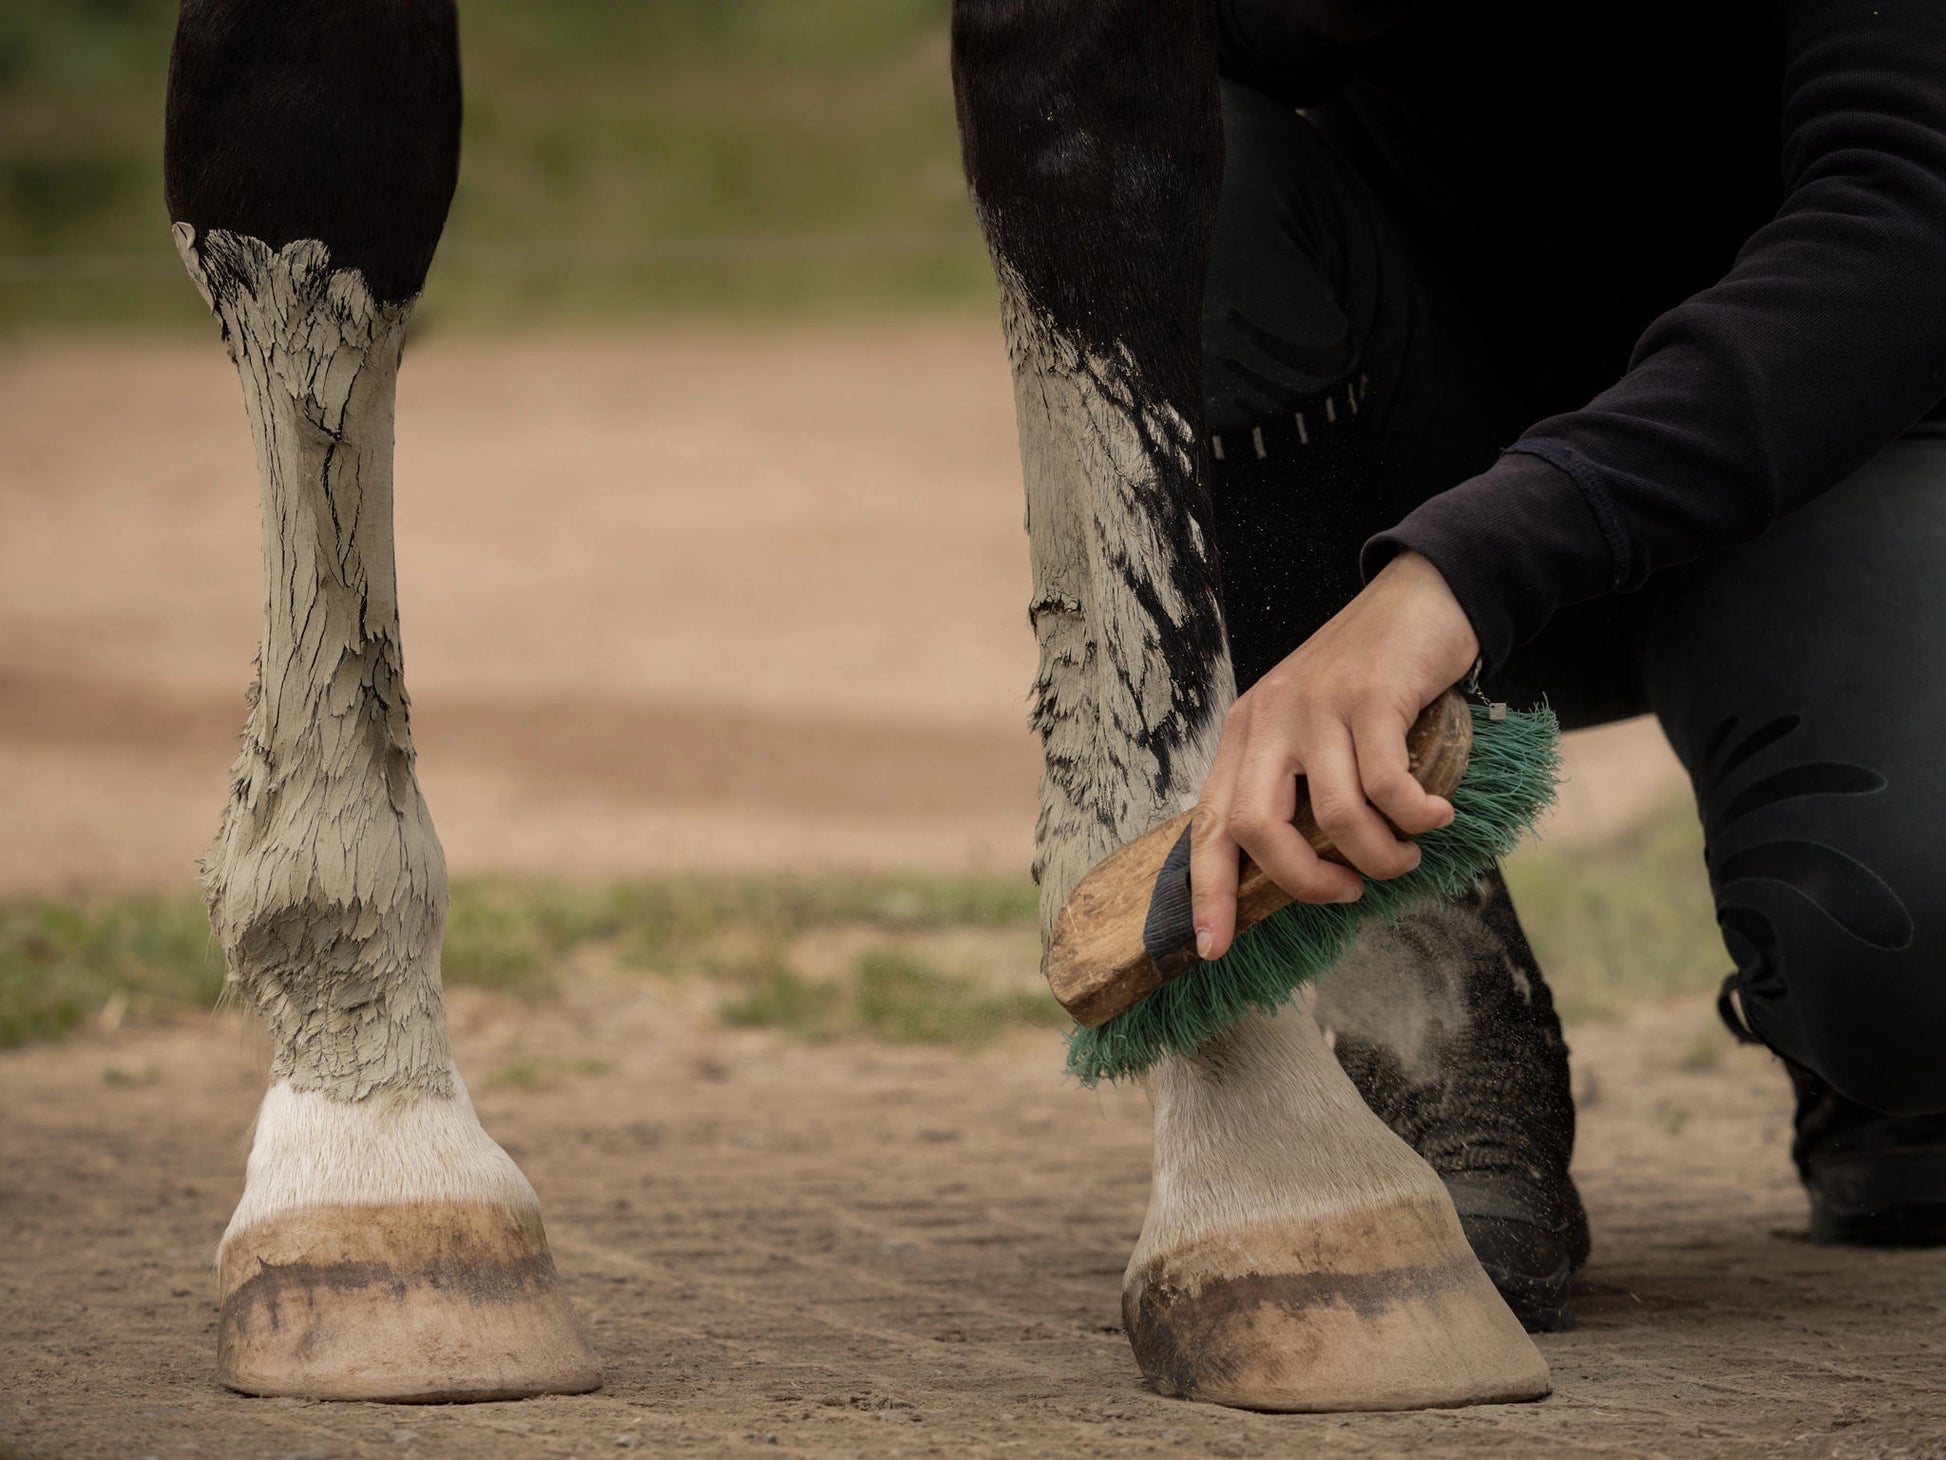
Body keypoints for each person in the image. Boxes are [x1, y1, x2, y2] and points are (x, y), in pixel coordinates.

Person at [1186, 0, 1946, 1320]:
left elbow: (1903, 215)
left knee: (1904, 964)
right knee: (1165, 148)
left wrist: (1477, 557)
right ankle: (1429, 992)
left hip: (1842, 450)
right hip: (1433, 428)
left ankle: (1835, 995)